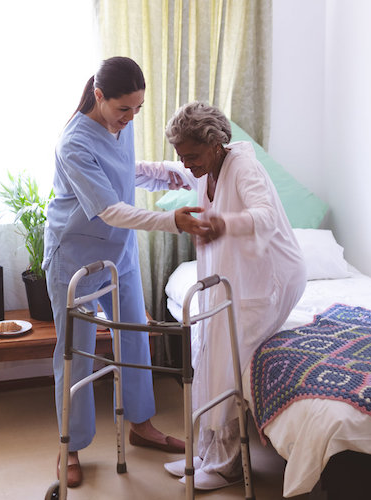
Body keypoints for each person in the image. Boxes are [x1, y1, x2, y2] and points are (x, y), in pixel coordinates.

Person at [44, 56, 209, 488]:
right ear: (99, 96)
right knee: (75, 354)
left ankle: (141, 425)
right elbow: (110, 209)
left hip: (120, 254)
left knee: (135, 336)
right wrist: (171, 221)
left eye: (138, 108)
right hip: (76, 256)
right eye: (124, 109)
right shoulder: (73, 143)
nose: (131, 117)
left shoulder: (122, 121)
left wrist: (161, 173)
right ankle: (70, 446)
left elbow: (121, 171)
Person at [155, 101, 307, 490]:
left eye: (192, 156)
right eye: (182, 158)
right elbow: (168, 171)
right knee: (207, 350)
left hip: (270, 280)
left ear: (216, 144)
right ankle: (206, 453)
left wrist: (225, 222)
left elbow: (266, 217)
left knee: (226, 363)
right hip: (235, 277)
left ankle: (226, 466)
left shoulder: (244, 167)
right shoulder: (205, 168)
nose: (188, 165)